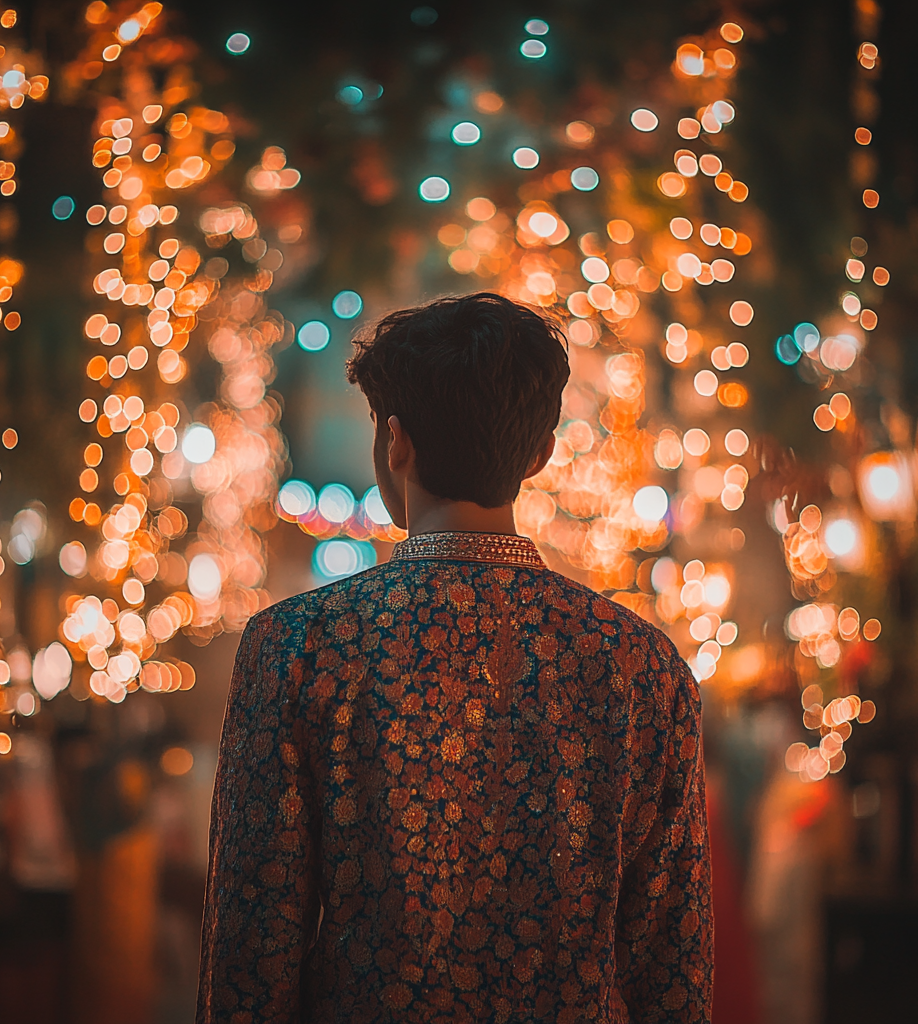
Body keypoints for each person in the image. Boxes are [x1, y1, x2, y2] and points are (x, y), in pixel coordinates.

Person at [196, 292, 712, 1023]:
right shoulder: (643, 666)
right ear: (540, 453)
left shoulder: (299, 646)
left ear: (394, 442)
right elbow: (673, 964)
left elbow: (252, 948)